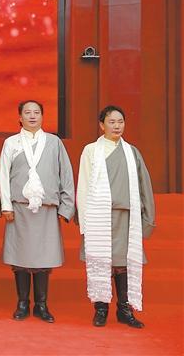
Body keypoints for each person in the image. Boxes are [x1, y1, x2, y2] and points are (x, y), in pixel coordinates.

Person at [76, 105, 156, 328]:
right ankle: (101, 309)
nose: (117, 126)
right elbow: (83, 185)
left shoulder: (132, 152)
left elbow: (144, 186)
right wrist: (84, 219)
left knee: (123, 263)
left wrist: (148, 218)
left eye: (120, 122)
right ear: (102, 125)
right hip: (98, 217)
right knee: (101, 262)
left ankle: (124, 310)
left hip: (126, 218)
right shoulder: (91, 150)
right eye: (112, 122)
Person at [0, 100, 75, 322]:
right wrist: (6, 205)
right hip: (20, 208)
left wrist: (66, 206)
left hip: (46, 207)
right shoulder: (11, 143)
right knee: (20, 257)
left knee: (44, 257)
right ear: (19, 117)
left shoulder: (54, 142)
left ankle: (42, 304)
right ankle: (22, 303)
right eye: (27, 112)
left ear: (42, 116)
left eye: (36, 112)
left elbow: (66, 174)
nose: (32, 116)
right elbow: (3, 175)